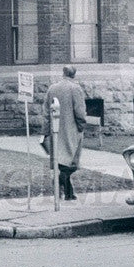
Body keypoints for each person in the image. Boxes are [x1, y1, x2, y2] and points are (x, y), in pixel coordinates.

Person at [43, 65, 87, 201]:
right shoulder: (76, 89)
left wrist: (45, 130)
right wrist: (81, 126)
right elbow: (80, 112)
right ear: (74, 75)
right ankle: (61, 180)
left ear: (63, 73)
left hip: (55, 130)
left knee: (59, 159)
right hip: (71, 129)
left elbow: (45, 111)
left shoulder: (52, 88)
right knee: (71, 161)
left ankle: (68, 192)